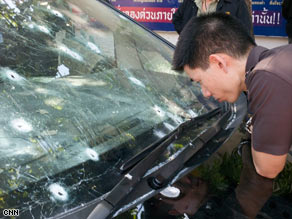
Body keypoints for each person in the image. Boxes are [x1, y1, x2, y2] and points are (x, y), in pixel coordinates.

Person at [172, 13, 292, 218]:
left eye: (200, 80)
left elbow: (267, 168)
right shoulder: (279, 59)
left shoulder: (267, 77)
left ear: (219, 62)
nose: (206, 92)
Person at [172, 0, 252, 35]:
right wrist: (187, 36)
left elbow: (245, 32)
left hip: (222, 60)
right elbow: (177, 18)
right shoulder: (190, 1)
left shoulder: (236, 3)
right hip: (194, 58)